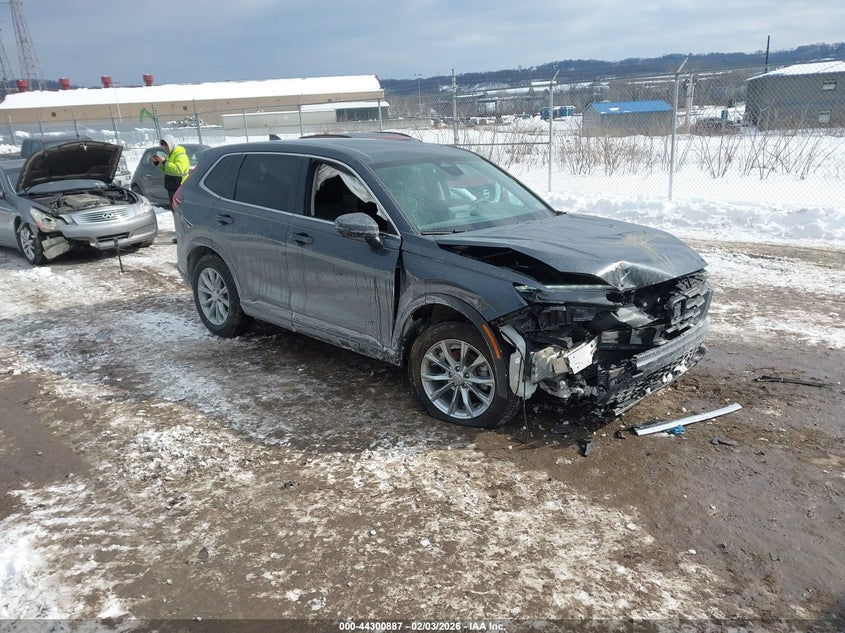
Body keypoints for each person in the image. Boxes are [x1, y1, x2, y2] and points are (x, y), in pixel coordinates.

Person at [150, 135, 190, 208]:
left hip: (178, 186)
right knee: (174, 208)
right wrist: (158, 163)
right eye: (163, 146)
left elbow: (178, 170)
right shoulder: (170, 155)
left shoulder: (180, 155)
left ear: (171, 144)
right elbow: (166, 170)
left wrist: (165, 162)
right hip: (171, 186)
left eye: (166, 145)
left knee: (179, 208)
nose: (164, 148)